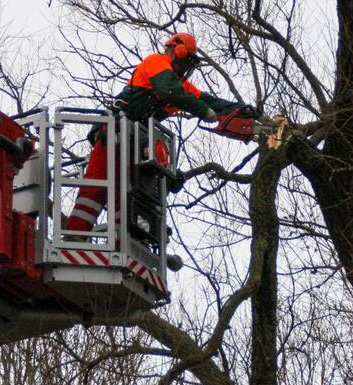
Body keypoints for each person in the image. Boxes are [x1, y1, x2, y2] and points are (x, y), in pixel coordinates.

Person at [65, 32, 257, 234]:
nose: (187, 67)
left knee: (131, 196)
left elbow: (209, 101)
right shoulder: (156, 63)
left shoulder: (180, 86)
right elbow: (170, 91)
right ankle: (75, 236)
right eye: (187, 61)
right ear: (177, 51)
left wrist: (240, 110)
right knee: (97, 184)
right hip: (114, 131)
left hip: (136, 142)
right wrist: (203, 111)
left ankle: (129, 241)